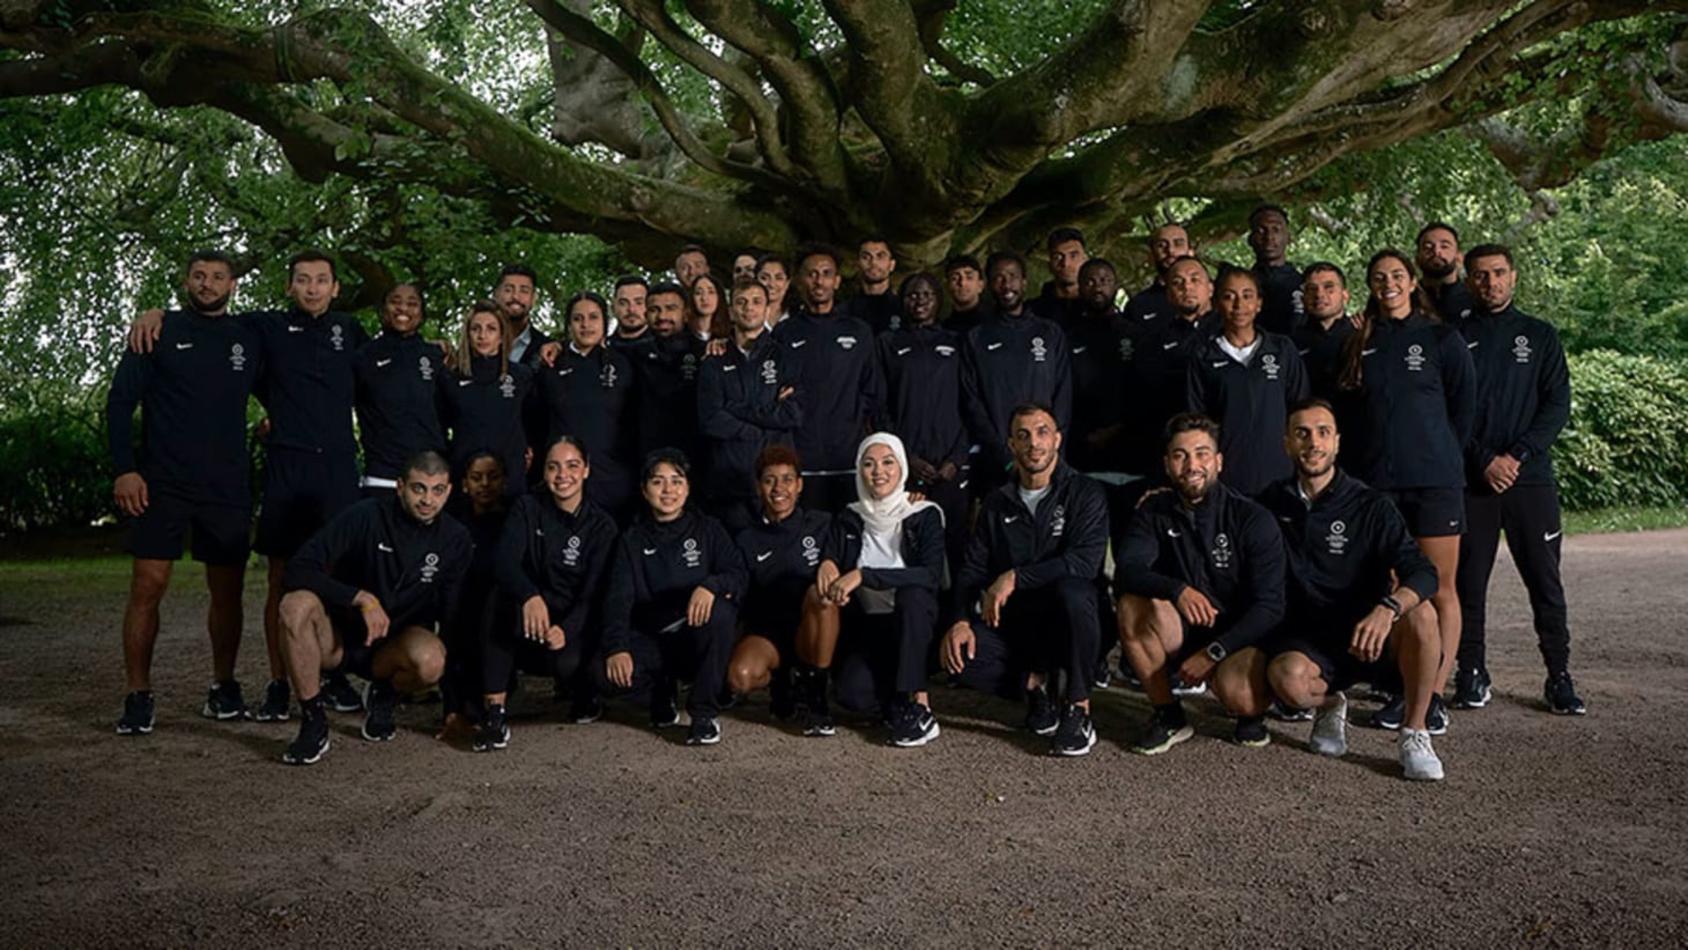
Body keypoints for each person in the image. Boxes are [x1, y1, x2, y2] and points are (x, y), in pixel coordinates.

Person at [127, 249, 369, 722]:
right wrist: (156, 314)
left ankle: (334, 675)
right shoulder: (263, 328)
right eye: (303, 279)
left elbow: (387, 369)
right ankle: (278, 682)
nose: (313, 288)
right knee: (281, 577)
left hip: (339, 469)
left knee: (339, 573)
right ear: (289, 286)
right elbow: (212, 327)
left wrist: (434, 349)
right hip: (286, 467)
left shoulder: (351, 330)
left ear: (335, 288)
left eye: (322, 280)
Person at [107, 250, 262, 734]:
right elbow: (119, 402)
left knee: (228, 591)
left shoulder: (249, 336)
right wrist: (125, 470)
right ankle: (138, 694)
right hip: (163, 482)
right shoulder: (157, 330)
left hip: (226, 484)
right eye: (199, 275)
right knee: (147, 586)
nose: (207, 283)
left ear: (232, 285)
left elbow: (290, 386)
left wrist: (278, 418)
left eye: (217, 276)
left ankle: (223, 686)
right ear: (186, 281)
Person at [1260, 399, 1446, 780]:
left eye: (1323, 433)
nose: (1314, 443)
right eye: (1302, 434)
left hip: (1371, 634)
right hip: (1311, 641)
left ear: (1337, 442)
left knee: (1423, 614)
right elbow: (1220, 515)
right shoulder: (1269, 503)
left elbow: (1425, 573)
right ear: (1287, 444)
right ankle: (1330, 705)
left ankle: (1415, 733)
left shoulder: (1371, 505)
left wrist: (1388, 608)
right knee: (1287, 680)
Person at [1337, 249, 1475, 734]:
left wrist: (1437, 455)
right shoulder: (1361, 340)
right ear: (1370, 286)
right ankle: (1403, 689)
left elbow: (1462, 411)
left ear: (1412, 282)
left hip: (1435, 482)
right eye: (1379, 277)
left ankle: (1432, 695)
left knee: (1439, 587)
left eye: (1397, 275)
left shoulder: (1441, 338)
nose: (1388, 283)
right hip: (1379, 485)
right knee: (1394, 589)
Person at [1453, 245, 1584, 715]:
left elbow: (1557, 405)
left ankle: (1559, 675)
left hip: (1530, 479)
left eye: (1498, 273)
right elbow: (1447, 409)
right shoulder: (1454, 336)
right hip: (1473, 481)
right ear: (1468, 280)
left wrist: (1517, 456)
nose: (1490, 282)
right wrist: (1484, 459)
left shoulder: (1540, 335)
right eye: (1480, 275)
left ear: (1513, 276)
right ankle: (1471, 672)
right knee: (1469, 582)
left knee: (1545, 581)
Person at [276, 450, 472, 765]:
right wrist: (360, 598)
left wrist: (453, 709)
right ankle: (313, 720)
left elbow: (451, 619)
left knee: (432, 660)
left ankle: (386, 692)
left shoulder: (455, 538)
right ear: (400, 487)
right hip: (338, 640)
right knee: (294, 605)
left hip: (391, 651)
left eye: (437, 490)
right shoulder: (365, 515)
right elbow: (296, 569)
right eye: (418, 488)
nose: (427, 499)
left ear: (449, 491)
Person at [940, 404, 1109, 757]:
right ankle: (1037, 687)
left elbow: (1084, 562)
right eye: (1023, 435)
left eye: (1042, 432)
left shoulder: (1085, 492)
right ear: (1011, 445)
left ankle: (1078, 707)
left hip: (1073, 623)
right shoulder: (996, 502)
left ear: (1057, 439)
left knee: (1074, 591)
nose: (1034, 443)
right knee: (956, 654)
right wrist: (959, 621)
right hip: (1019, 626)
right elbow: (972, 568)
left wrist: (1016, 577)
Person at [1115, 413, 1286, 754]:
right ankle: (1169, 715)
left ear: (1218, 461)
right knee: (1132, 605)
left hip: (1236, 637)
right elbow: (1128, 570)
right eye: (1180, 455)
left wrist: (1214, 652)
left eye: (1201, 454)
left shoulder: (1251, 518)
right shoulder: (1153, 510)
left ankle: (1250, 712)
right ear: (1167, 465)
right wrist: (1177, 590)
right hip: (1183, 628)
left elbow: (1271, 606)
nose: (1192, 465)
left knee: (1241, 697)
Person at [797, 433, 945, 745]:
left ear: (902, 467)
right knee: (853, 696)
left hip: (913, 626)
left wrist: (865, 575)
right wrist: (827, 562)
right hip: (868, 627)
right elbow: (832, 555)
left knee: (913, 595)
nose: (879, 471)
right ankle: (894, 699)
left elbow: (930, 575)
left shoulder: (923, 513)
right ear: (859, 470)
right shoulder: (850, 516)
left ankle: (915, 704)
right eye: (869, 464)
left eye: (888, 462)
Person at [595, 450, 747, 745]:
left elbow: (738, 574)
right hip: (653, 639)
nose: (668, 490)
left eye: (676, 481)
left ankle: (703, 714)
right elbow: (617, 600)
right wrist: (617, 648)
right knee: (601, 673)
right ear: (644, 489)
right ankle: (659, 692)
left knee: (721, 611)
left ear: (688, 488)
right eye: (658, 482)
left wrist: (710, 585)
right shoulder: (631, 539)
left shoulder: (709, 529)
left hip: (695, 639)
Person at [476, 437, 619, 751]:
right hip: (531, 617)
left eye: (572, 466)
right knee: (498, 599)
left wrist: (566, 629)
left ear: (586, 470)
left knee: (571, 663)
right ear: (543, 471)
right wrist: (529, 595)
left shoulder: (602, 526)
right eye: (553, 467)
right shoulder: (527, 507)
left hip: (569, 628)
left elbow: (594, 595)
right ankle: (495, 713)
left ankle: (583, 692)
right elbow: (504, 562)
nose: (562, 475)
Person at [772, 244, 881, 512]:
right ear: (799, 281)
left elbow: (873, 391)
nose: (819, 281)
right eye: (811, 274)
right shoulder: (784, 333)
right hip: (801, 459)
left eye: (826, 273)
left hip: (848, 457)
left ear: (837, 281)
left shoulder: (859, 331)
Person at [726, 446, 832, 719]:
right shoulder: (746, 538)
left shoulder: (821, 525)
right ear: (758, 487)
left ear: (799, 485)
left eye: (787, 479)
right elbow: (737, 586)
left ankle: (816, 690)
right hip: (770, 632)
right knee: (740, 677)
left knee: (821, 595)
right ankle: (781, 680)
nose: (778, 488)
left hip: (811, 630)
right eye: (769, 480)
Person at [1186, 268, 1309, 495]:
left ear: (1259, 303)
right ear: (1217, 303)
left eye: (1247, 295)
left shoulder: (1282, 349)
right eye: (1229, 296)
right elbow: (1197, 421)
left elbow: (1301, 411)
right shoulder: (1203, 356)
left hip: (1280, 474)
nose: (1239, 305)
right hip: (1227, 477)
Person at [874, 273, 968, 563]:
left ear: (938, 300)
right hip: (906, 467)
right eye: (912, 295)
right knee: (907, 548)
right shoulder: (887, 343)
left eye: (927, 294)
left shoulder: (957, 342)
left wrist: (956, 459)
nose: (920, 301)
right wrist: (904, 458)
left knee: (955, 548)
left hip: (949, 467)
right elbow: (879, 407)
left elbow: (971, 404)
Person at [695, 279, 802, 530]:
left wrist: (735, 409)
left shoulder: (786, 356)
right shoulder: (714, 360)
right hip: (728, 482)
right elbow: (710, 419)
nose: (749, 308)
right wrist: (758, 430)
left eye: (756, 302)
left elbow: (792, 414)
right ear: (731, 310)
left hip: (775, 484)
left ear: (767, 309)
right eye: (741, 302)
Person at [961, 251, 1073, 491]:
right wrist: (1004, 456)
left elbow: (1063, 396)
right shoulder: (977, 337)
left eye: (1012, 276)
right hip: (997, 462)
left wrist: (1053, 451)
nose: (1006, 284)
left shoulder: (1049, 333)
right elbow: (972, 402)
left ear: (1024, 282)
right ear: (989, 284)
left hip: (1046, 460)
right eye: (999, 278)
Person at [537, 291, 637, 518]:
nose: (586, 325)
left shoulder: (623, 364)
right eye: (578, 318)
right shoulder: (550, 365)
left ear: (605, 322)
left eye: (593, 317)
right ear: (568, 325)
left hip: (613, 479)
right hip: (564, 481)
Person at [1120, 255, 1217, 481]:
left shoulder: (1231, 333)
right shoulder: (1153, 342)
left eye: (1195, 279)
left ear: (1211, 288)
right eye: (1177, 282)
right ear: (1168, 294)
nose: (1187, 287)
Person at [438, 451, 507, 738]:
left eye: (493, 477)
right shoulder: (453, 524)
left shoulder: (514, 520)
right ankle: (452, 710)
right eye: (477, 478)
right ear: (464, 483)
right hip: (460, 607)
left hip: (499, 610)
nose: (485, 484)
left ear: (504, 481)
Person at [354, 282, 446, 497]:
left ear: (422, 313)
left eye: (412, 303)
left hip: (430, 479)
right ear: (382, 309)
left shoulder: (436, 356)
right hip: (382, 476)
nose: (403, 308)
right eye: (395, 302)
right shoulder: (363, 357)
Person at [440, 300, 535, 498]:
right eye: (476, 329)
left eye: (491, 329)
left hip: (510, 480)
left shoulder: (522, 376)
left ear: (501, 335)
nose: (482, 335)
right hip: (465, 482)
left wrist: (528, 449)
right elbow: (439, 428)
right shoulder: (451, 378)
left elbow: (534, 421)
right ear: (467, 334)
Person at [632, 281, 705, 460]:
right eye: (654, 309)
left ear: (686, 314)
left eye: (670, 308)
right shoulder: (631, 354)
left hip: (697, 456)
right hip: (645, 456)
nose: (662, 316)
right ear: (646, 315)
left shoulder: (706, 353)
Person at [1292, 262, 1356, 401]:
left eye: (1329, 287)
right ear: (1303, 298)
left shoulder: (1362, 335)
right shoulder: (1291, 344)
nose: (1319, 294)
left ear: (1345, 295)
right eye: (1311, 289)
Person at [1247, 205, 1303, 336]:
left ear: (1288, 237)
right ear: (1250, 239)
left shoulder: (1304, 284)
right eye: (1261, 231)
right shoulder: (1240, 285)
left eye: (1276, 230)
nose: (1269, 237)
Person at [1123, 222, 1190, 327]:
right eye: (1161, 245)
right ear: (1151, 255)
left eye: (1178, 243)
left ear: (1191, 251)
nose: (1170, 251)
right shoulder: (1138, 305)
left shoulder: (1212, 295)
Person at [1415, 222, 1475, 323]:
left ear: (1459, 257)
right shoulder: (1404, 299)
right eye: (1428, 247)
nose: (1436, 252)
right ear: (1417, 259)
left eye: (1444, 246)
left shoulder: (1475, 297)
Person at [1028, 227, 1088, 327]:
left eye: (1073, 256)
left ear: (1085, 260)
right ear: (1049, 263)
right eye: (1058, 257)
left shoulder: (1098, 309)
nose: (1066, 263)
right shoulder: (1031, 312)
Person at [839, 237, 901, 334]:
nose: (873, 262)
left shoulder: (903, 310)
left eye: (880, 256)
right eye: (866, 257)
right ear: (857, 264)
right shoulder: (843, 312)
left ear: (892, 265)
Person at [495, 264, 548, 368]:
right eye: (508, 290)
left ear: (534, 298)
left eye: (524, 291)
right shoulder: (477, 343)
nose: (515, 296)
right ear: (496, 295)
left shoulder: (547, 348)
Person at [943, 254, 993, 334]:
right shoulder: (943, 330)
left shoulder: (997, 322)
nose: (962, 283)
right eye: (954, 278)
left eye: (969, 277)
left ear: (981, 285)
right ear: (947, 286)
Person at [608, 275, 650, 350]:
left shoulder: (666, 348)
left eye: (639, 303)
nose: (631, 309)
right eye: (623, 303)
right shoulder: (601, 349)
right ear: (613, 307)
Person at [687, 271, 731, 341]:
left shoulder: (730, 336)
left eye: (711, 292)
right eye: (698, 293)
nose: (704, 298)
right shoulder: (681, 337)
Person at [755, 253, 794, 327]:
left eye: (779, 278)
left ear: (787, 283)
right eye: (764, 278)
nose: (771, 284)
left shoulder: (797, 316)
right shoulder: (747, 316)